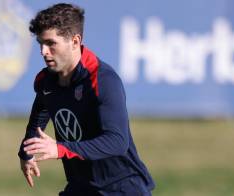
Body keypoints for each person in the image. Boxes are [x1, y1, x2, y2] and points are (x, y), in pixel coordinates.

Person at [18, 3, 155, 195]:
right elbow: (41, 110)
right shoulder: (45, 80)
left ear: (75, 41)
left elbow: (117, 141)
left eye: (51, 43)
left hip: (122, 188)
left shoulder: (103, 79)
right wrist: (27, 151)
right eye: (41, 43)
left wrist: (60, 149)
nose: (43, 51)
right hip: (81, 187)